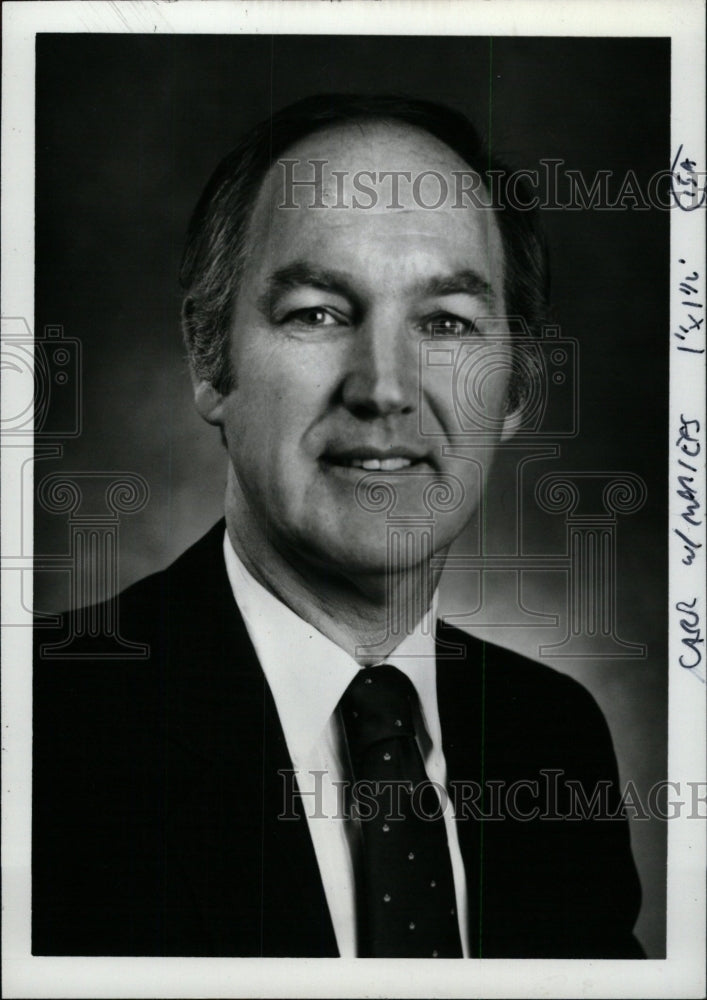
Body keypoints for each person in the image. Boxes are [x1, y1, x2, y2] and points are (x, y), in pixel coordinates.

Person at [32, 94, 644, 959]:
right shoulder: (42, 732)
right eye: (317, 312)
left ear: (514, 391)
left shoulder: (550, 738)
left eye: (445, 323)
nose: (384, 388)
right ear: (211, 360)